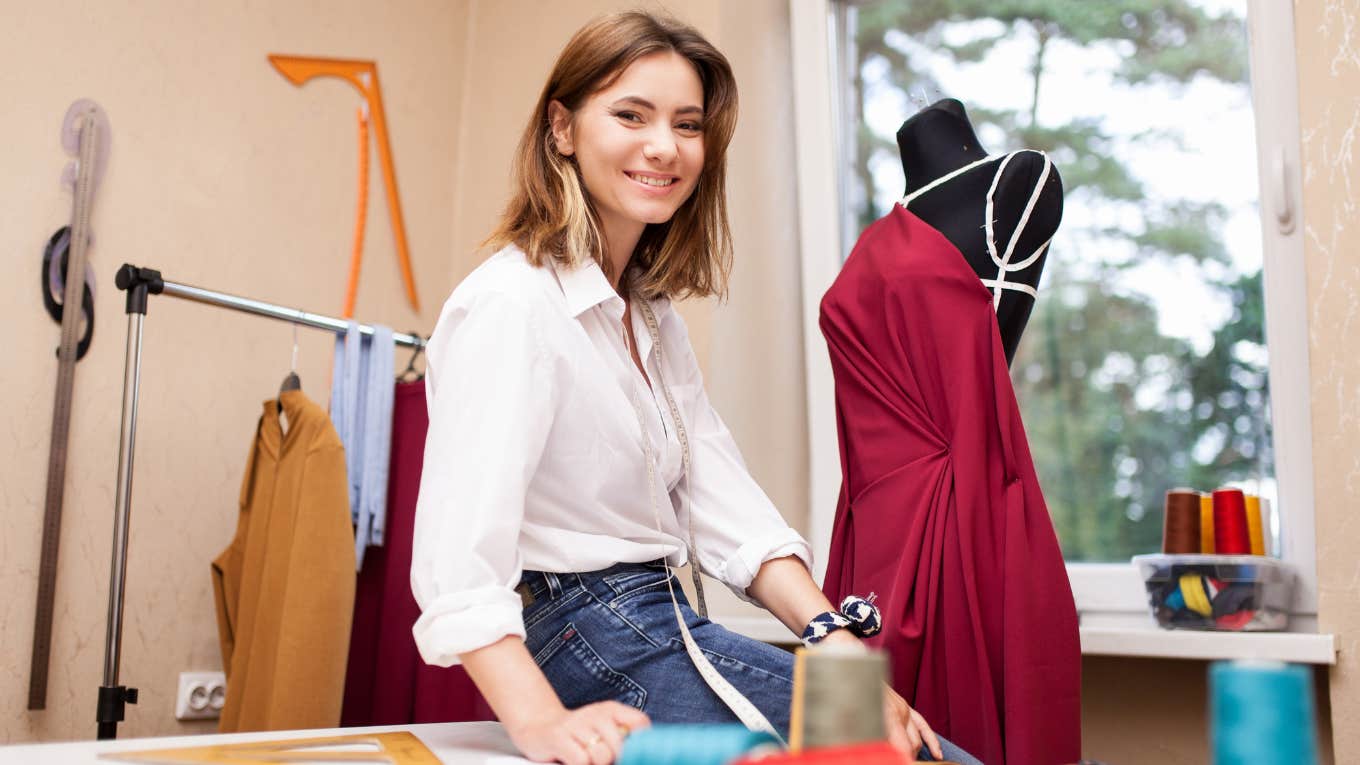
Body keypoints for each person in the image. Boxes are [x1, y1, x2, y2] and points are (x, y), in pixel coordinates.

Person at [410, 12, 978, 765]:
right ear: (561, 128)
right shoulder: (512, 304)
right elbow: (457, 561)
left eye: (687, 124)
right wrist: (541, 723)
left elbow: (720, 497)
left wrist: (831, 638)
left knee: (913, 746)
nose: (664, 147)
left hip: (659, 616)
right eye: (630, 115)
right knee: (900, 757)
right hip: (584, 631)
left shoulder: (649, 314)